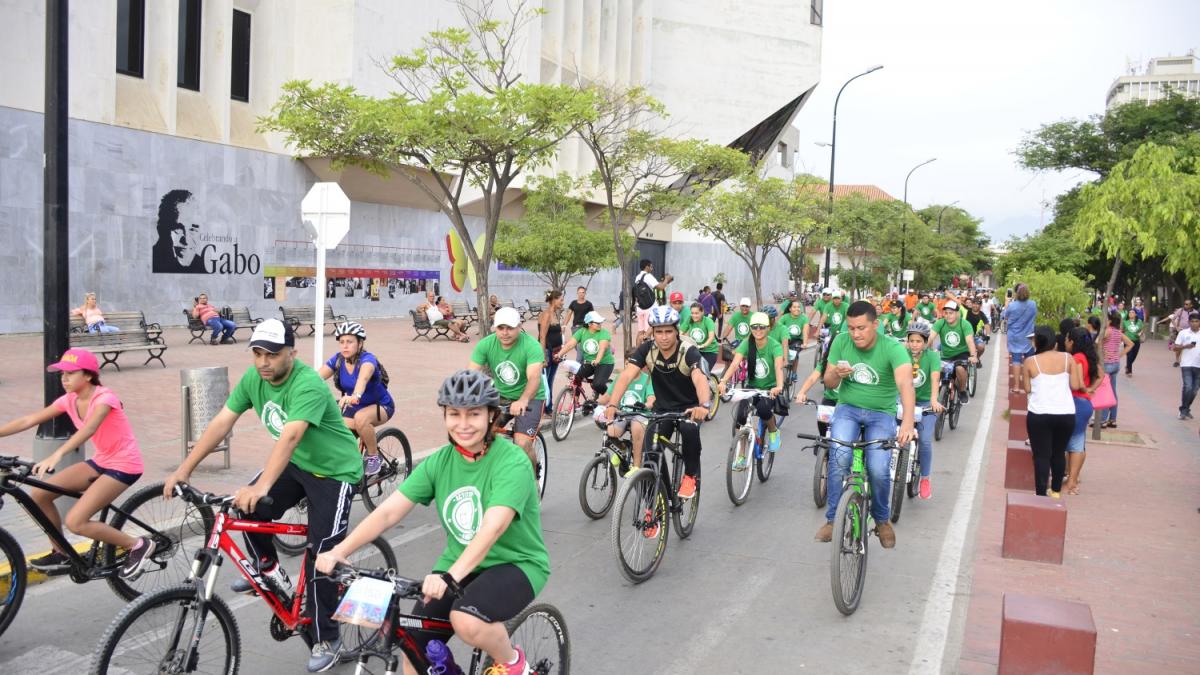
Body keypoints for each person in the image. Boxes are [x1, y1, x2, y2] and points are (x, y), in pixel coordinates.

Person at [316, 370, 549, 675]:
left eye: (474, 414)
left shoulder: (513, 462)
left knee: (467, 620)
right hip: (459, 564)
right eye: (454, 414)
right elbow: (389, 511)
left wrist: (449, 577)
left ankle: (515, 664)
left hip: (517, 564)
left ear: (492, 416)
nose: (463, 424)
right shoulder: (441, 461)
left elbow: (492, 528)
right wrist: (339, 551)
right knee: (414, 648)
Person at [163, 319, 363, 672]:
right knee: (246, 513)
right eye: (257, 353)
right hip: (298, 464)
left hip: (335, 472)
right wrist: (185, 468)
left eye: (272, 354)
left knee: (322, 558)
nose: (263, 362)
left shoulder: (308, 384)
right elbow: (222, 422)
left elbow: (290, 437)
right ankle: (269, 570)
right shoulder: (254, 379)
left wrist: (262, 485)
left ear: (292, 353)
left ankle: (328, 639)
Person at [0, 349, 150, 578]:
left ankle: (137, 545)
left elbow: (90, 428)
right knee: (39, 495)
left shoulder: (104, 398)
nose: (64, 379)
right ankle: (61, 553)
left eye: (70, 373)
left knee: (76, 522)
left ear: (88, 375)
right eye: (62, 374)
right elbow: (28, 419)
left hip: (124, 465)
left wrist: (56, 455)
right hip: (102, 461)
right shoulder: (69, 400)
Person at [816, 301, 915, 548]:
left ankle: (882, 520)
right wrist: (838, 374)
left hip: (881, 413)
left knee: (879, 468)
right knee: (839, 457)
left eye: (861, 328)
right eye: (851, 328)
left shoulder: (893, 348)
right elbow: (827, 382)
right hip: (847, 409)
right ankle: (832, 520)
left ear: (875, 325)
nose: (855, 334)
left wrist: (907, 423)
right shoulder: (840, 341)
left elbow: (905, 385)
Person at [605, 305, 711, 500]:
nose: (664, 337)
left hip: (689, 409)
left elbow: (699, 378)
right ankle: (658, 499)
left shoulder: (688, 351)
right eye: (659, 332)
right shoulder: (647, 350)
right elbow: (626, 375)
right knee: (650, 450)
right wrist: (612, 404)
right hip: (661, 409)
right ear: (652, 332)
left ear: (676, 331)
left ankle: (690, 476)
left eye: (668, 331)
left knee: (689, 432)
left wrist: (703, 405)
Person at [469, 307, 546, 469]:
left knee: (522, 443)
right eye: (500, 328)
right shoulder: (485, 345)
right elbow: (471, 374)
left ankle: (532, 479)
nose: (505, 333)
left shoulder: (531, 346)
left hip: (531, 398)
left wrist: (523, 400)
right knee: (479, 434)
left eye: (510, 328)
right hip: (501, 396)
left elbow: (534, 378)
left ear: (519, 326)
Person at [317, 322, 394, 477]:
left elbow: (363, 378)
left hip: (380, 406)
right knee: (333, 431)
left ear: (360, 344)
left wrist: (355, 395)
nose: (345, 346)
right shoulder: (338, 360)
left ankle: (373, 456)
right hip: (353, 406)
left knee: (361, 419)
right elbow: (316, 377)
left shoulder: (368, 359)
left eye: (350, 342)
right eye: (342, 342)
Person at [1021, 326, 1080, 498]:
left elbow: (1027, 388)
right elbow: (1075, 385)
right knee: (1058, 452)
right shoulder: (1068, 358)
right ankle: (1055, 491)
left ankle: (1040, 494)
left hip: (1039, 412)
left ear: (1037, 341)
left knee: (1041, 455)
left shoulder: (1031, 362)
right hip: (1066, 413)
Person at [717, 312, 785, 456]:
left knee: (763, 409)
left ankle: (773, 431)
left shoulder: (775, 346)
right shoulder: (747, 343)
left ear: (768, 328)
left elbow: (779, 367)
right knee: (740, 417)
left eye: (762, 327)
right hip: (752, 386)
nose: (758, 330)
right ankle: (741, 453)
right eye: (754, 327)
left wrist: (778, 386)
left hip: (769, 388)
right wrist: (723, 381)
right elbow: (735, 364)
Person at [904, 322, 943, 500]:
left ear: (926, 342)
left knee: (925, 441)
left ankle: (925, 479)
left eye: (919, 341)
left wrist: (934, 400)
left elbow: (935, 379)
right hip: (904, 401)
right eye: (911, 341)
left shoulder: (933, 357)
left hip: (926, 403)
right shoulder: (902, 354)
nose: (914, 344)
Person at [1064, 327, 1100, 495]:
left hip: (1076, 402)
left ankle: (1071, 482)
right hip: (1085, 403)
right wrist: (1091, 389)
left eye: (1067, 339)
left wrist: (1084, 388)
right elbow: (1101, 375)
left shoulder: (1077, 358)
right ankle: (1073, 481)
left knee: (1072, 444)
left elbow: (1076, 384)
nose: (1065, 342)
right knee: (1078, 444)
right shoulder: (1089, 357)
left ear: (1073, 341)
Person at [601, 371, 655, 471]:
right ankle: (622, 449)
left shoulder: (647, 379)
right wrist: (594, 403)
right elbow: (608, 396)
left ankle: (636, 466)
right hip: (623, 413)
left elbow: (651, 399)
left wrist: (646, 405)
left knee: (636, 427)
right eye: (627, 363)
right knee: (611, 430)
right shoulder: (620, 377)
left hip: (641, 414)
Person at [555, 311, 615, 399]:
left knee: (598, 385)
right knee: (576, 377)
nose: (600, 324)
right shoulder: (582, 332)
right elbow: (570, 344)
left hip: (604, 363)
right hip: (589, 363)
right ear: (589, 324)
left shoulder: (604, 333)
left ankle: (612, 398)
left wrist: (597, 360)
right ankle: (575, 402)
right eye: (597, 322)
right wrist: (559, 354)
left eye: (600, 322)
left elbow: (602, 348)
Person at [931, 300, 978, 405]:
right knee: (934, 371)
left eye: (951, 313)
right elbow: (930, 337)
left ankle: (962, 391)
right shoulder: (940, 323)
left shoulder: (965, 324)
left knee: (960, 369)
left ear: (957, 313)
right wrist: (925, 351)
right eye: (946, 313)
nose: (948, 316)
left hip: (961, 354)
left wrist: (973, 356)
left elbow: (970, 341)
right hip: (945, 355)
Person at [152, 189, 206, 273]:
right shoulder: (153, 262)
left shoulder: (202, 265)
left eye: (193, 229)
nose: (187, 241)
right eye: (178, 229)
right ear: (163, 230)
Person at [1095, 312, 1133, 428]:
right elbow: (1130, 344)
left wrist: (1102, 352)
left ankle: (1102, 420)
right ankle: (1113, 419)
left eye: (1107, 319)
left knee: (1105, 391)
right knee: (1113, 391)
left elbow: (1096, 342)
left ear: (1110, 321)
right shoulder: (1118, 333)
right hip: (1116, 364)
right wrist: (1119, 355)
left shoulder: (1108, 331)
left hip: (1106, 364)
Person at [1002, 283, 1038, 393]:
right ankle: (1030, 386)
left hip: (1015, 336)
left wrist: (1007, 303)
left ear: (1016, 294)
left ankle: (1017, 386)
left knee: (1016, 361)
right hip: (1028, 336)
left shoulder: (1012, 306)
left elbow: (1004, 316)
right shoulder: (1033, 304)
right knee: (1029, 360)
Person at [537, 291, 565, 414]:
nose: (562, 302)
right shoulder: (546, 314)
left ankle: (548, 407)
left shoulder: (555, 314)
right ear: (554, 300)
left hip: (556, 351)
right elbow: (542, 336)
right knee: (544, 380)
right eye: (561, 300)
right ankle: (543, 408)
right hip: (547, 351)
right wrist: (543, 356)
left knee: (550, 380)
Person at [633, 259, 672, 344]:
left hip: (640, 308)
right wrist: (666, 279)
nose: (652, 268)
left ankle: (637, 353)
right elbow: (661, 287)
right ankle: (646, 353)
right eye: (651, 266)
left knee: (640, 332)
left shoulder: (637, 277)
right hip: (649, 308)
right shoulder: (648, 276)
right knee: (648, 332)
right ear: (647, 267)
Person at [1173, 311, 1200, 420]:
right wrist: (1185, 346)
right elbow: (1175, 348)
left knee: (1194, 390)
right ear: (1189, 322)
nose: (1194, 323)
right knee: (1188, 387)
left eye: (1197, 321)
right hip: (1186, 364)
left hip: (1198, 366)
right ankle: (1183, 411)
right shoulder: (1183, 333)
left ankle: (1185, 408)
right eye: (1192, 321)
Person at [679, 301, 720, 372]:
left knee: (703, 373)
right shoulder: (689, 319)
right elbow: (680, 333)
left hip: (710, 351)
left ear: (702, 312)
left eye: (696, 313)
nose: (694, 315)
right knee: (688, 371)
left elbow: (711, 337)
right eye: (692, 313)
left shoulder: (708, 321)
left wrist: (703, 345)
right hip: (696, 350)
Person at [778, 299, 811, 377]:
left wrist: (805, 343)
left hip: (797, 340)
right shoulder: (784, 317)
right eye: (794, 307)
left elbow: (805, 331)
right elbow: (778, 327)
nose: (797, 309)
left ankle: (794, 373)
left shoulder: (804, 318)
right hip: (785, 339)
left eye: (798, 307)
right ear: (790, 309)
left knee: (795, 354)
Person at [1163, 298, 1194, 367]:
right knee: (1179, 347)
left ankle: (1189, 361)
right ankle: (1177, 360)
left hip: (1191, 332)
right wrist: (1177, 328)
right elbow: (1173, 319)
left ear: (1191, 305)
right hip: (1181, 331)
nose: (1185, 305)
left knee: (1191, 346)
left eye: (1187, 304)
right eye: (1184, 304)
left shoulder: (1195, 312)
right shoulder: (1181, 310)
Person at [1122, 308, 1144, 376]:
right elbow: (1122, 330)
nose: (1131, 314)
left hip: (1136, 341)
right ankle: (1129, 371)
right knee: (1129, 355)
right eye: (1130, 312)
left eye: (1132, 312)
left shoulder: (1139, 321)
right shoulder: (1125, 322)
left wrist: (1140, 333)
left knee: (1134, 355)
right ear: (1128, 314)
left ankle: (1128, 366)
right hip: (1127, 341)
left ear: (1135, 314)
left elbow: (1142, 329)